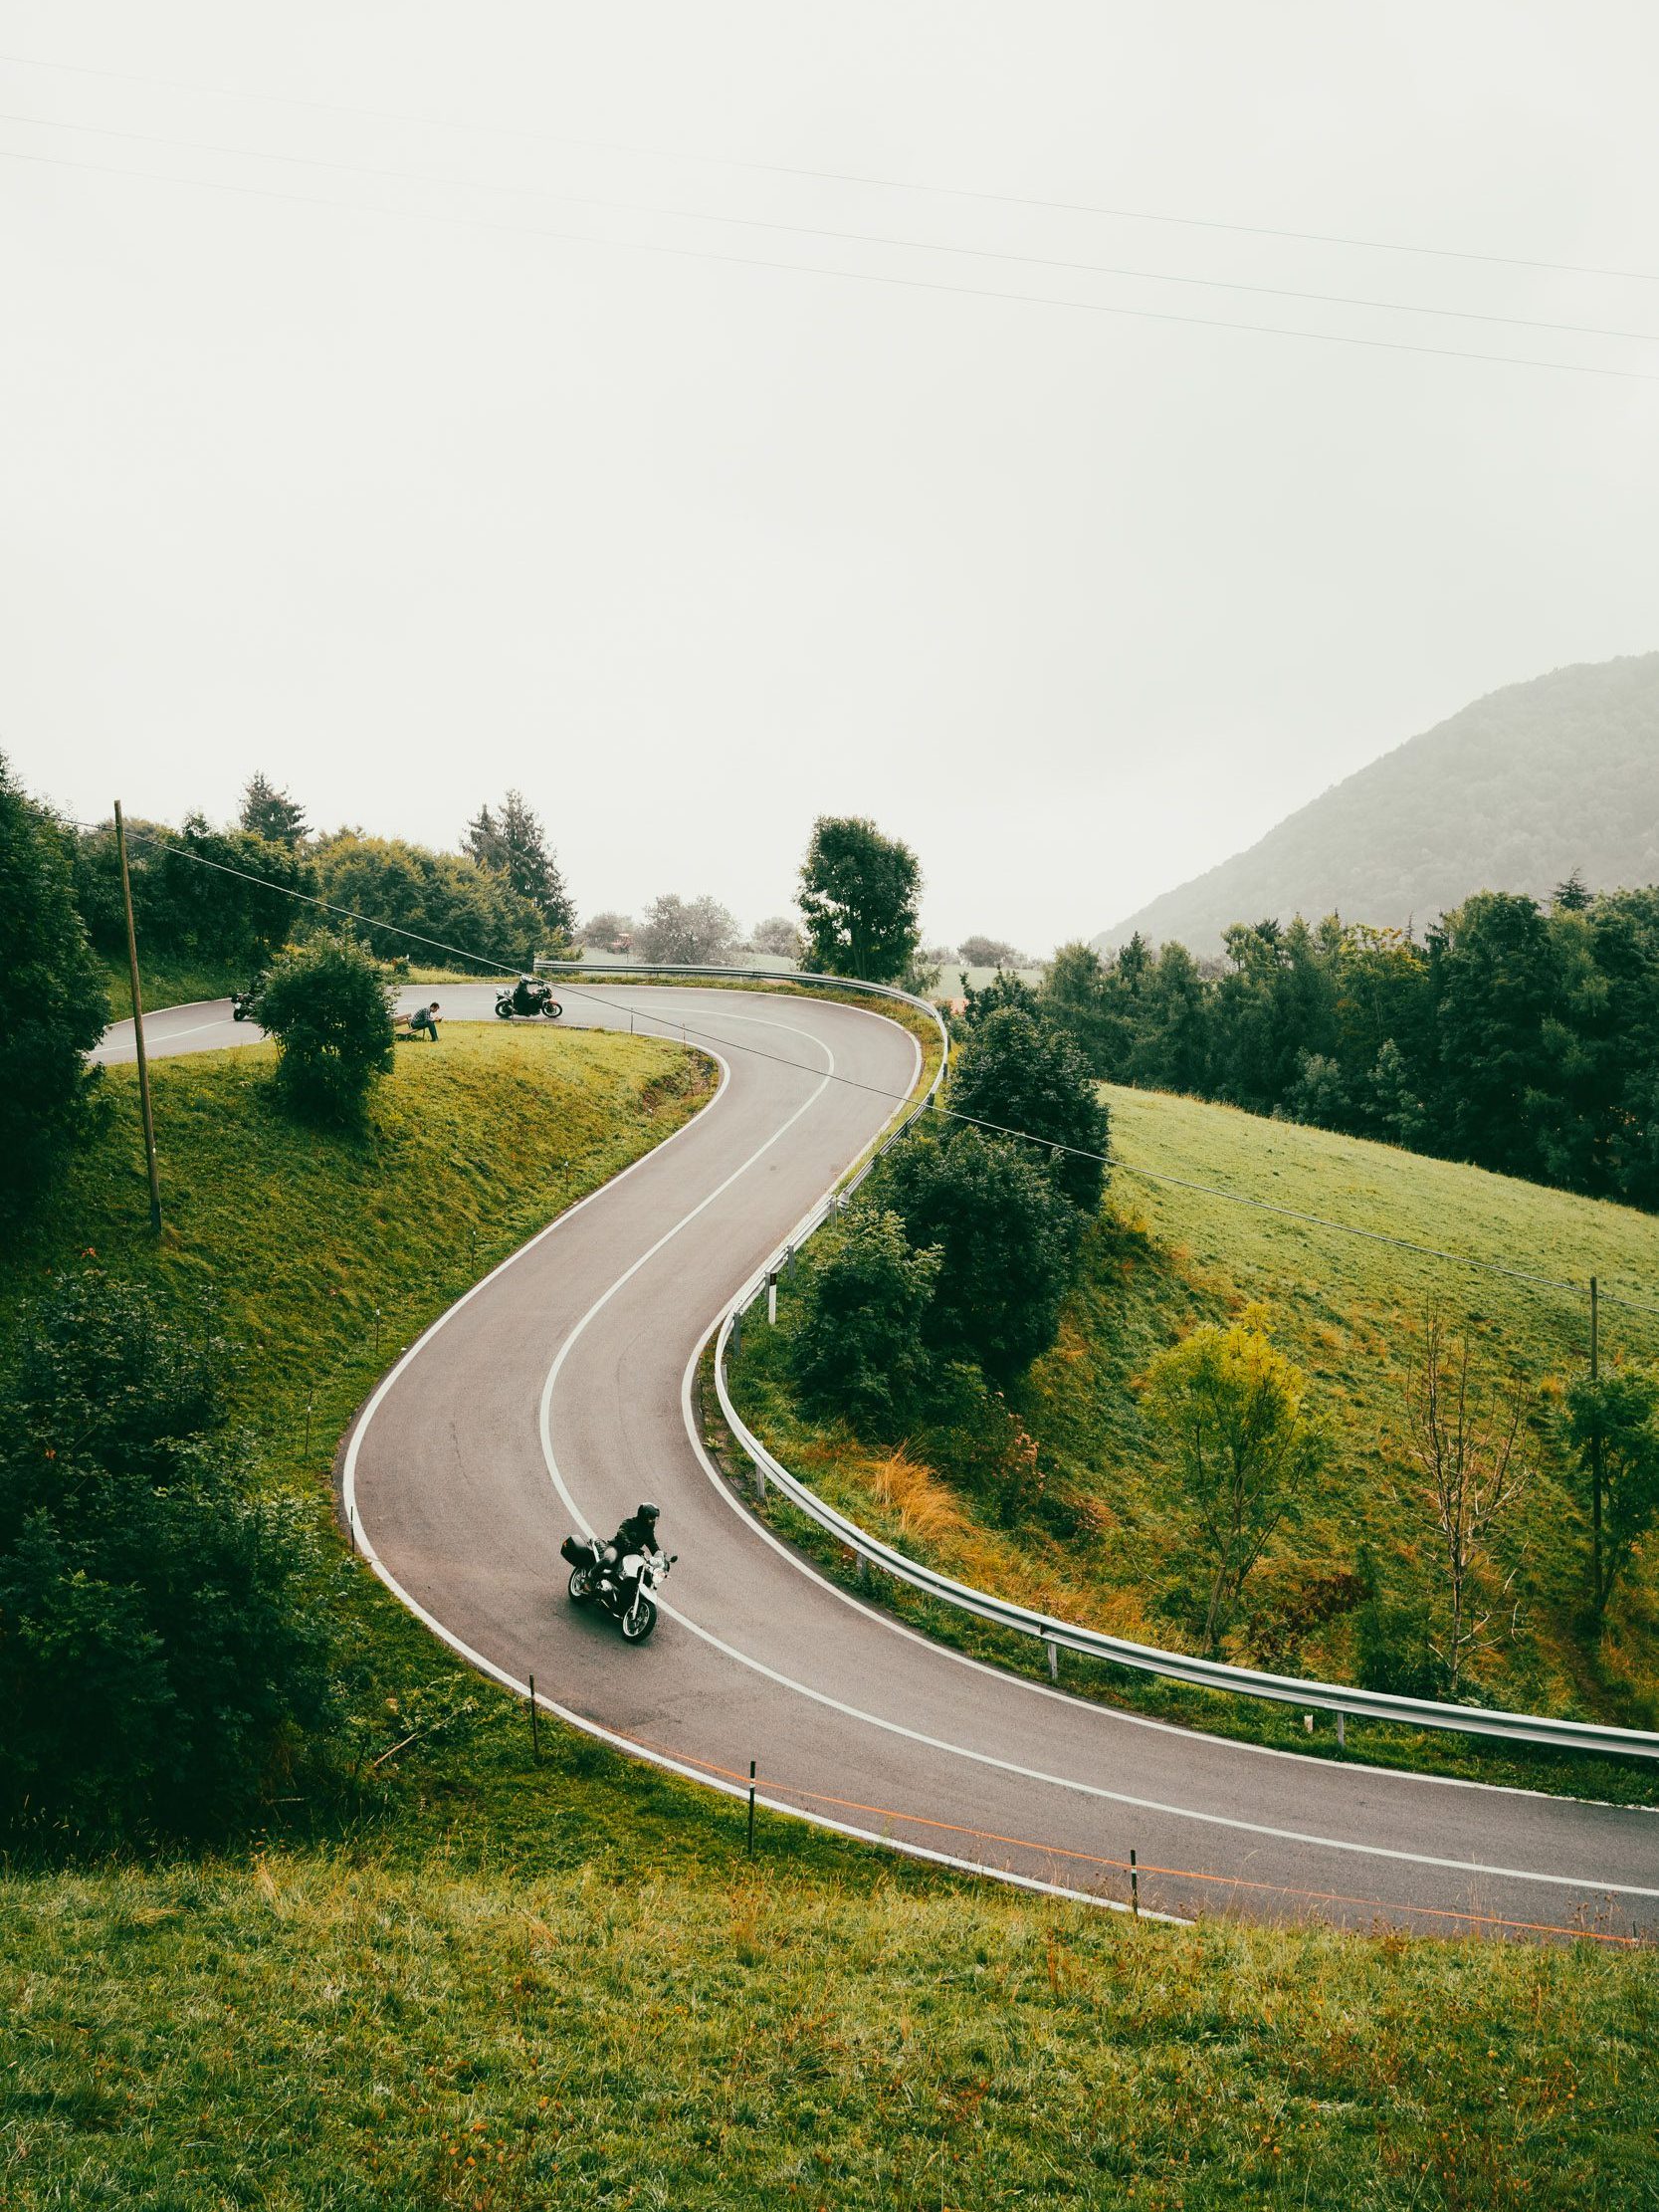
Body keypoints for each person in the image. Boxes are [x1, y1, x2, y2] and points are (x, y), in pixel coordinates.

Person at [599, 1501, 662, 1605]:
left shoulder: (648, 1531)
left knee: (640, 1574)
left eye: (655, 1519)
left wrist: (661, 1558)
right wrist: (627, 1542)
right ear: (643, 1516)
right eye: (651, 1518)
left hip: (632, 1554)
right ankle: (591, 1576)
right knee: (609, 1559)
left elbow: (653, 1545)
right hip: (617, 1548)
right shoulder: (630, 1523)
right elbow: (621, 1532)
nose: (653, 1521)